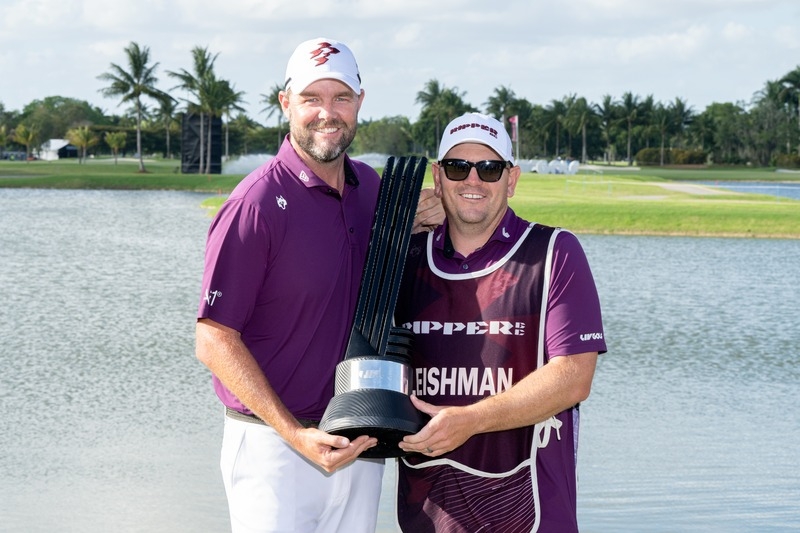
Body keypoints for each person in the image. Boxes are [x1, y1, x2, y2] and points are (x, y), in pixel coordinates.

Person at [195, 37, 441, 533]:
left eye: (341, 97)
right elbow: (213, 338)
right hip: (273, 447)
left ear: (359, 102)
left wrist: (420, 217)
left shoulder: (372, 190)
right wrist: (293, 433)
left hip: (359, 437)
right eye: (312, 98)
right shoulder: (255, 205)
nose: (327, 113)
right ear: (286, 102)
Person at [393, 112, 607, 532]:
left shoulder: (553, 251)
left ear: (512, 180)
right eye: (458, 167)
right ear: (437, 177)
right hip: (427, 517)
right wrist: (394, 229)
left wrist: (471, 420)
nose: (473, 180)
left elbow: (573, 377)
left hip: (531, 514)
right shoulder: (406, 257)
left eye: (489, 168)